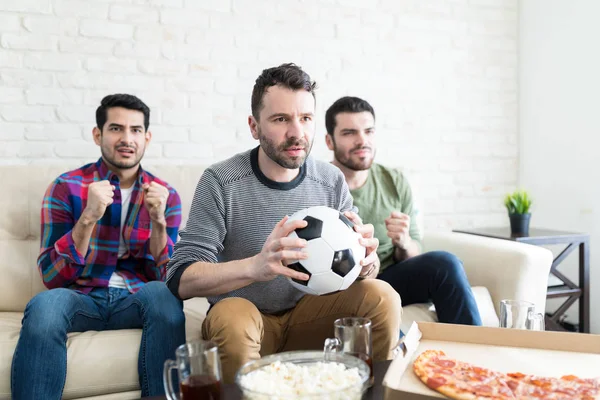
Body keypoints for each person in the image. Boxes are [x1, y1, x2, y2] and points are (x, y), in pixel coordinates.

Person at [166, 64, 401, 383]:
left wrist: (366, 262)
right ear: (254, 126)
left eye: (305, 118)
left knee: (382, 295)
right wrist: (256, 266)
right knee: (232, 316)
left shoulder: (330, 180)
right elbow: (180, 278)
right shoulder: (221, 181)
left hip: (310, 316)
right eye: (281, 119)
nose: (297, 132)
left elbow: (365, 269)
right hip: (245, 320)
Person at [11, 94, 186, 399]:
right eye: (116, 128)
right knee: (44, 305)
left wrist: (158, 222)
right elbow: (52, 277)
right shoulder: (66, 187)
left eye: (135, 130)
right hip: (81, 298)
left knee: (163, 297)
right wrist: (88, 217)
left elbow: (166, 279)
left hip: (136, 299)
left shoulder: (165, 194)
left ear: (147, 137)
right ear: (98, 134)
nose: (126, 139)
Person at [325, 96, 482, 327]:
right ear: (330, 141)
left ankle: (471, 352)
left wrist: (404, 242)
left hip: (391, 277)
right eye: (349, 133)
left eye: (369, 131)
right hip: (347, 285)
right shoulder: (320, 184)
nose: (362, 140)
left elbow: (415, 249)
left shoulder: (394, 180)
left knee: (445, 264)